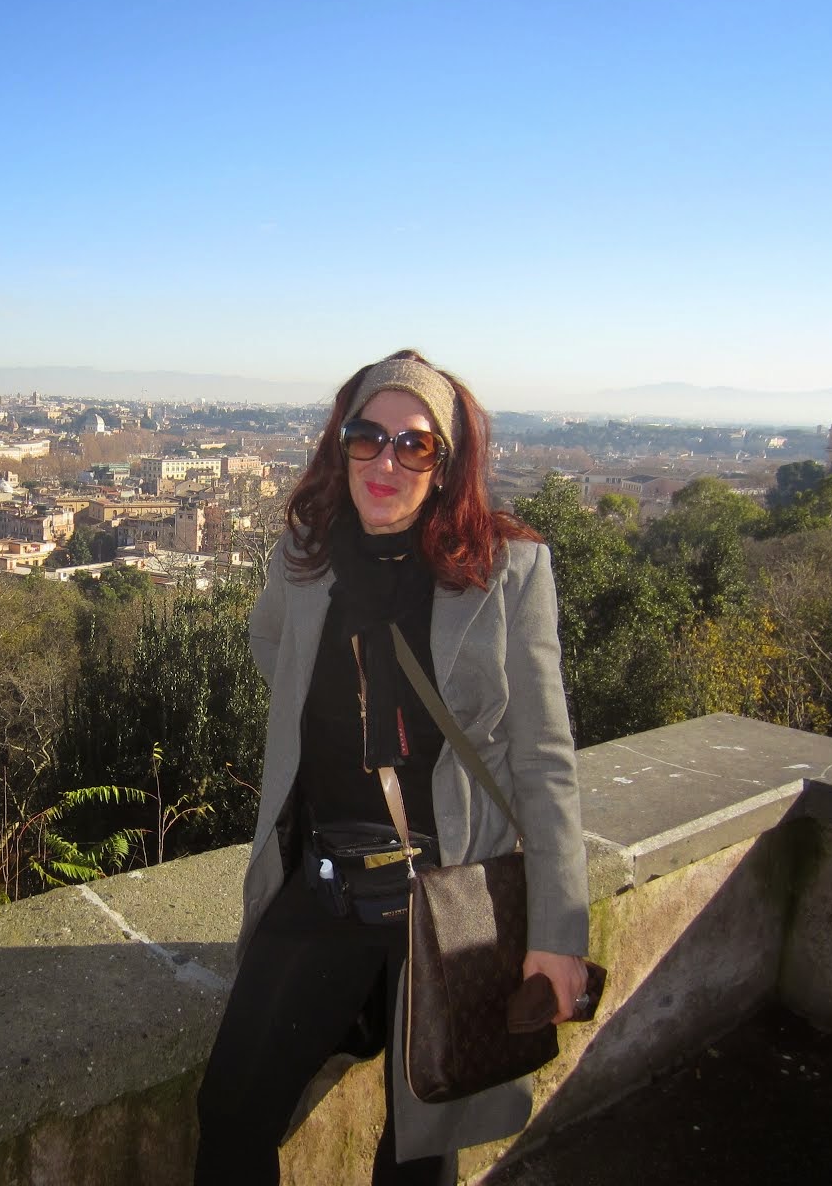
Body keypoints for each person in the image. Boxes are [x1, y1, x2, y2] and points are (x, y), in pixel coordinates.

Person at [194, 351, 589, 1185]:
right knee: (231, 1108)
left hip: (451, 895)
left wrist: (558, 935)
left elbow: (545, 761)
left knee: (421, 1145)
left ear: (448, 465)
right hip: (329, 880)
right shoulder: (305, 555)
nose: (386, 461)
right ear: (341, 444)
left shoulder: (509, 570)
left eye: (415, 446)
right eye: (367, 437)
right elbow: (273, 646)